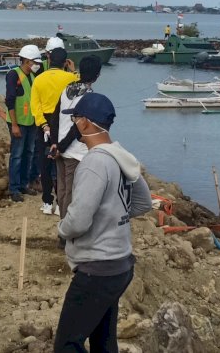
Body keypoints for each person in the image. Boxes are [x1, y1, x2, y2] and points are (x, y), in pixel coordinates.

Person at [54, 93, 152, 353]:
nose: (74, 124)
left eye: (75, 119)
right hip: (120, 265)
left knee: (67, 344)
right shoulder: (121, 156)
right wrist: (114, 217)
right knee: (103, 341)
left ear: (85, 123)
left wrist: (61, 229)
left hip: (96, 269)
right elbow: (143, 203)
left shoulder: (94, 162)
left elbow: (78, 221)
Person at [53, 55, 103, 220]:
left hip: (60, 145)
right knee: (71, 192)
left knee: (62, 188)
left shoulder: (67, 89)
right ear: (97, 76)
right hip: (74, 151)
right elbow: (77, 128)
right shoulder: (89, 96)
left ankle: (63, 225)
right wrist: (61, 146)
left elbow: (55, 116)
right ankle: (67, 231)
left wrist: (55, 144)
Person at [31, 45, 78, 215]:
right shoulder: (70, 78)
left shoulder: (39, 79)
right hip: (62, 123)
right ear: (65, 62)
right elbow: (78, 95)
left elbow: (35, 108)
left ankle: (46, 202)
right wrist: (74, 71)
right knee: (61, 163)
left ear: (49, 59)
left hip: (43, 124)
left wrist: (44, 126)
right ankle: (60, 203)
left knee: (44, 163)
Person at [4, 44, 41, 202]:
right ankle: (14, 188)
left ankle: (24, 184)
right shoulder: (14, 75)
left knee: (29, 153)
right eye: (35, 61)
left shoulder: (33, 76)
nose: (37, 64)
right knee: (17, 155)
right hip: (18, 122)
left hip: (31, 122)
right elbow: (10, 101)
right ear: (26, 61)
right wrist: (14, 125)